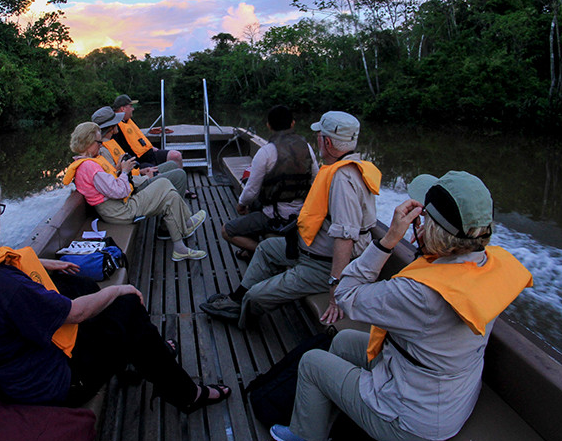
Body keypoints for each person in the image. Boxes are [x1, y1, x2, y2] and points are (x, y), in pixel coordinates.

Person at [262, 171, 533, 441]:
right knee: (343, 341)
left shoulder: (420, 293)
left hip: (412, 419)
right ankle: (312, 429)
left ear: (433, 229)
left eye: (425, 217)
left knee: (312, 363)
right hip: (447, 396)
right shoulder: (486, 264)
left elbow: (345, 294)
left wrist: (389, 239)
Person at [0, 167, 230, 413]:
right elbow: (75, 313)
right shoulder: (2, 285)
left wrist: (41, 263)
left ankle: (138, 357)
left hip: (24, 366)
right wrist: (119, 290)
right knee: (126, 307)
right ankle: (186, 394)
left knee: (76, 283)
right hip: (55, 384)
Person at [201, 111, 380, 328]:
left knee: (255, 297)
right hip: (310, 250)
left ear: (327, 142)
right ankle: (236, 299)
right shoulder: (344, 168)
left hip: (323, 266)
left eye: (319, 135)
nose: (316, 139)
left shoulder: (343, 180)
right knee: (266, 248)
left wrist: (336, 289)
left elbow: (345, 238)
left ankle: (242, 312)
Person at [63, 121, 207, 262]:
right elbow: (119, 191)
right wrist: (125, 171)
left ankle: (180, 244)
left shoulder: (87, 163)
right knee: (164, 185)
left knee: (169, 194)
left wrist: (118, 170)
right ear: (89, 142)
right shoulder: (89, 167)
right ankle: (185, 227)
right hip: (119, 211)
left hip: (116, 206)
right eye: (99, 142)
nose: (101, 145)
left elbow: (108, 185)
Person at [222, 105, 318, 262]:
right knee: (255, 205)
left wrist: (240, 205)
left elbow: (251, 191)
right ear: (293, 123)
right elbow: (316, 180)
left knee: (227, 231)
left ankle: (265, 250)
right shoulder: (307, 148)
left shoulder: (266, 152)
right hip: (301, 215)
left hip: (274, 217)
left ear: (268, 125)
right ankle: (255, 252)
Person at [91, 105, 188, 196]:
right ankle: (174, 205)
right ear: (111, 127)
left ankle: (174, 202)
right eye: (116, 122)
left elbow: (120, 170)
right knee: (179, 175)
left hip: (136, 176)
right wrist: (146, 177)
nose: (118, 123)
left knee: (172, 164)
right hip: (134, 186)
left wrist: (141, 171)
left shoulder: (110, 142)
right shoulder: (102, 150)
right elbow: (116, 180)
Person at [112, 94, 182, 168]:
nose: (133, 109)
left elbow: (138, 138)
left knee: (176, 155)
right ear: (123, 109)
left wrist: (151, 148)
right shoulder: (114, 128)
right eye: (131, 106)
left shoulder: (128, 121)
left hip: (149, 154)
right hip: (139, 161)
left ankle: (180, 175)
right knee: (155, 170)